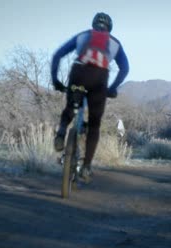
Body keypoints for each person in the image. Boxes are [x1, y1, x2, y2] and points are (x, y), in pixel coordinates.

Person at [51, 12, 129, 179]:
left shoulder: (83, 35)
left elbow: (57, 55)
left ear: (94, 25)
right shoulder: (115, 43)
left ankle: (61, 132)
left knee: (71, 106)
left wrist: (56, 80)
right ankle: (86, 167)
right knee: (94, 124)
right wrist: (112, 88)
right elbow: (125, 68)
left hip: (79, 72)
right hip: (98, 79)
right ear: (110, 28)